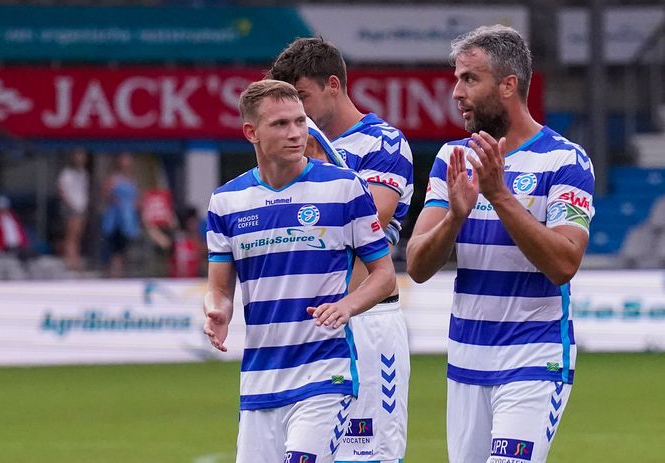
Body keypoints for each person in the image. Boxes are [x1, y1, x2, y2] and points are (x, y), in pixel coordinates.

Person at [406, 25, 595, 463]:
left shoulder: (565, 160)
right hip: (467, 358)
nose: (456, 92)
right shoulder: (451, 158)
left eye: (470, 79)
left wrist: (499, 196)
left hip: (534, 356)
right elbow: (416, 265)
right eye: (457, 78)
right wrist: (455, 215)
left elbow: (564, 263)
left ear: (508, 85)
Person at [204, 79, 396, 463]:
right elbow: (220, 290)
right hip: (260, 381)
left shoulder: (345, 188)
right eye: (280, 124)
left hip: (326, 375)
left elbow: (385, 275)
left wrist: (348, 306)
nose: (295, 133)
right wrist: (218, 312)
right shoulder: (226, 203)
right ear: (251, 133)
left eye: (299, 121)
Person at [267, 37, 413, 463]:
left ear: (333, 84)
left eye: (303, 98)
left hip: (366, 322)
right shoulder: (293, 154)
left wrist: (321, 157)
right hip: (304, 325)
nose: (297, 115)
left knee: (366, 455)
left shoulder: (383, 143)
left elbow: (372, 222)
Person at [101, 152, 140, 278]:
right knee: (114, 248)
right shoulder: (113, 179)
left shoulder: (132, 180)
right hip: (115, 218)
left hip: (128, 219)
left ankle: (122, 272)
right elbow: (106, 195)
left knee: (125, 248)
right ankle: (114, 272)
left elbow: (136, 199)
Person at [57, 146, 89, 271]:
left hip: (81, 208)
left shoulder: (84, 174)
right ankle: (69, 262)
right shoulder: (67, 173)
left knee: (78, 236)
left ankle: (74, 259)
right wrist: (70, 204)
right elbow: (61, 190)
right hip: (72, 208)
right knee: (71, 236)